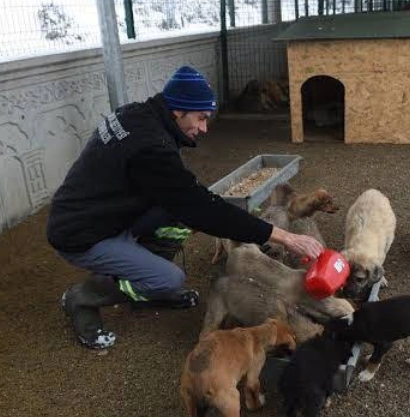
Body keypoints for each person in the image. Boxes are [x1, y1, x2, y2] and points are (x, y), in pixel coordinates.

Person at [47, 65, 324, 350]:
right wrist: (285, 237)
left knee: (181, 218)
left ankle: (144, 280)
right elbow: (202, 207)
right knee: (169, 278)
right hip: (83, 233)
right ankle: (83, 297)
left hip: (106, 211)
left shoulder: (136, 114)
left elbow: (186, 198)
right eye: (201, 118)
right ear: (178, 110)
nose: (204, 128)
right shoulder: (151, 146)